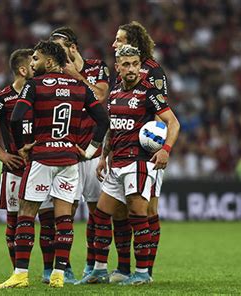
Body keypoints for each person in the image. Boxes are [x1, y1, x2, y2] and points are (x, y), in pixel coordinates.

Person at [0, 40, 109, 289]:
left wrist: (25, 145)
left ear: (49, 61)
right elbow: (103, 120)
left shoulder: (34, 85)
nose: (32, 63)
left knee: (26, 213)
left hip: (42, 157)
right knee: (64, 218)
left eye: (35, 58)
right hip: (69, 159)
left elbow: (16, 117)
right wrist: (90, 150)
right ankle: (58, 274)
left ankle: (20, 274)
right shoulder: (80, 87)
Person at [76, 45, 179, 285]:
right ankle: (100, 270)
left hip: (138, 163)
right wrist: (103, 156)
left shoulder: (149, 92)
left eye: (135, 64)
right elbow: (112, 128)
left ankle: (142, 273)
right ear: (118, 67)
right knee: (100, 216)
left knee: (137, 214)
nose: (132, 69)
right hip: (116, 163)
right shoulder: (113, 93)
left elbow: (173, 123)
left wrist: (165, 150)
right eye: (126, 64)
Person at [0, 49, 56, 281]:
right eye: (34, 63)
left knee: (48, 221)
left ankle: (49, 271)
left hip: (41, 165)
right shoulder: (4, 97)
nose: (38, 67)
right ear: (23, 70)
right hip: (15, 167)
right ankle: (17, 272)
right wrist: (1, 153)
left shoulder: (41, 92)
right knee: (15, 221)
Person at [108, 21, 171, 282]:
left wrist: (158, 145)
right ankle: (124, 268)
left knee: (148, 210)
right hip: (123, 151)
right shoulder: (123, 69)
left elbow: (161, 112)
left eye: (119, 39)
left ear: (133, 41)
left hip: (147, 152)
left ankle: (146, 271)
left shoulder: (153, 71)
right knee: (121, 211)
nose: (114, 44)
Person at [49, 26, 110, 278]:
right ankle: (64, 268)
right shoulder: (56, 73)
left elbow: (100, 97)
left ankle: (93, 266)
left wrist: (77, 76)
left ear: (73, 47)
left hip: (93, 152)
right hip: (70, 153)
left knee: (97, 214)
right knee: (66, 213)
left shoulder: (97, 67)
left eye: (60, 48)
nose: (56, 54)